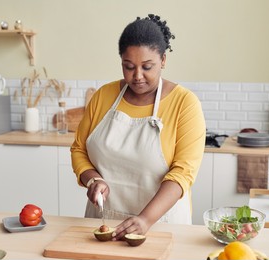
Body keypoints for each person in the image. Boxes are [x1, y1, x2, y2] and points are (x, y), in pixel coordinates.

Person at [71, 14, 205, 240]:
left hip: (161, 226)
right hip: (104, 221)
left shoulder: (185, 103)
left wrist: (145, 219)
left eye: (147, 66)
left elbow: (182, 174)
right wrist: (92, 179)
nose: (137, 76)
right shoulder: (104, 96)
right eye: (129, 66)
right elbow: (79, 149)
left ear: (163, 60)